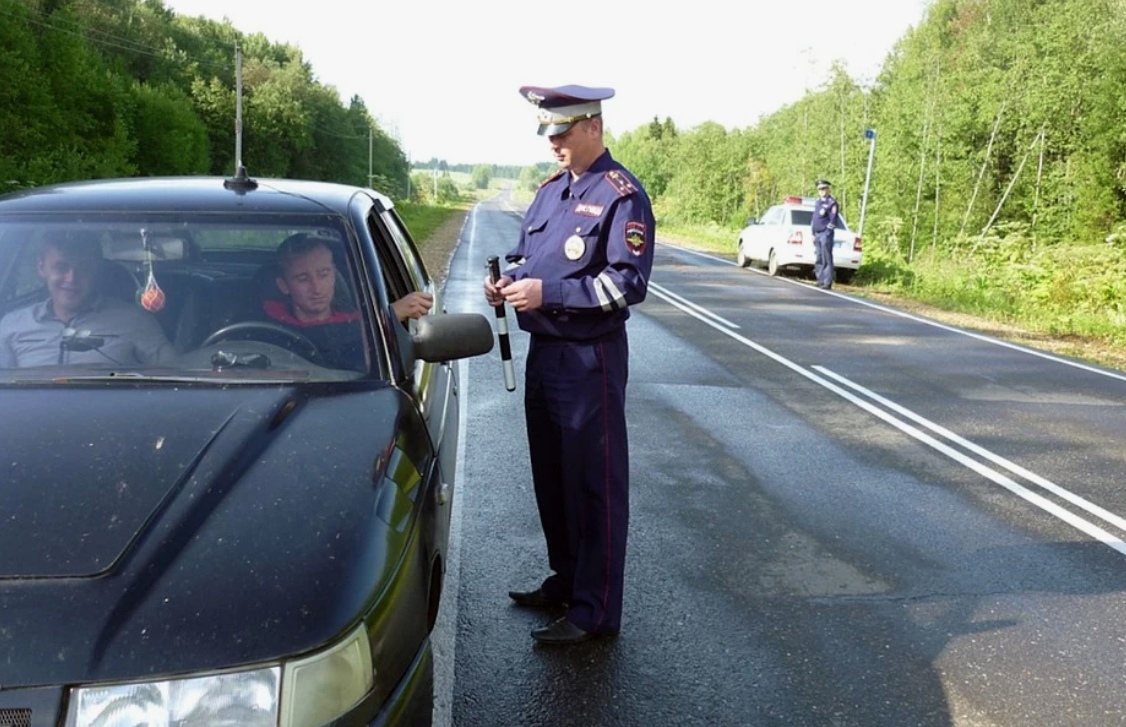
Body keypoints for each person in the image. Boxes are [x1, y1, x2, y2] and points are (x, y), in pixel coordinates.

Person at [484, 84, 655, 645]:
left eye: (562, 132)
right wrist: (507, 284)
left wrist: (547, 293)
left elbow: (625, 286)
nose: (553, 143)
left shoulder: (621, 196)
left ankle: (595, 611)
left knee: (594, 485)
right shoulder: (550, 192)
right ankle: (566, 579)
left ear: (593, 128)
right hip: (546, 353)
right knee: (552, 477)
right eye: (548, 134)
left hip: (590, 360)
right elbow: (527, 259)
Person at [0, 234, 176, 368]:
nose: (71, 279)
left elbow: (175, 376)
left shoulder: (134, 321)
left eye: (83, 269)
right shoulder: (12, 325)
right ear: (41, 267)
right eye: (61, 267)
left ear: (97, 271)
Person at [264, 233, 432, 368]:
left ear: (334, 275)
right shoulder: (265, 325)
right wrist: (383, 318)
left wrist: (388, 317)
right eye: (302, 278)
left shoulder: (360, 321)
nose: (316, 288)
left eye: (324, 274)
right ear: (284, 285)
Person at [811, 179, 839, 289]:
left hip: (825, 234)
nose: (821, 191)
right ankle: (820, 279)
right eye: (819, 189)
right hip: (817, 234)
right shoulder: (818, 202)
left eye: (823, 188)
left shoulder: (831, 203)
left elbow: (833, 220)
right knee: (819, 257)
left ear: (828, 189)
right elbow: (815, 219)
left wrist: (827, 233)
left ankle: (827, 281)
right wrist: (813, 233)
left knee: (827, 257)